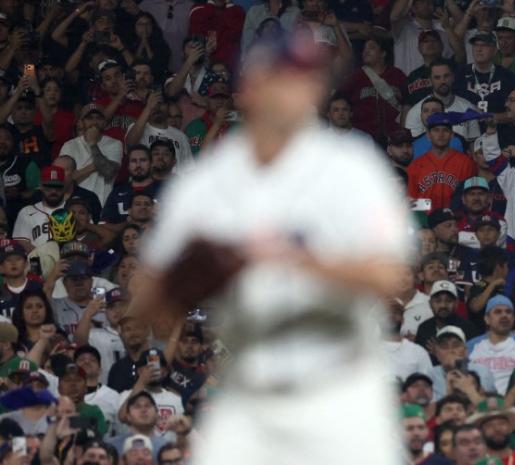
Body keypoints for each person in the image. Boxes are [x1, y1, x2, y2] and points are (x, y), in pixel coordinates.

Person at [126, 31, 414, 465]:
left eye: (308, 79)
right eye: (285, 78)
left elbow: (391, 275)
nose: (300, 90)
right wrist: (191, 274)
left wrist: (293, 258)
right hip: (250, 385)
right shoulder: (205, 183)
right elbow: (144, 303)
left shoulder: (352, 166)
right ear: (250, 88)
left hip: (342, 381)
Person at [408, 112, 477, 210]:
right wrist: (431, 210)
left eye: (445, 130)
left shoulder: (466, 163)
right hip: (427, 221)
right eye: (436, 130)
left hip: (456, 220)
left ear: (452, 135)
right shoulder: (415, 165)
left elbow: (471, 198)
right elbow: (411, 202)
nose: (441, 134)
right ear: (428, 135)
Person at [466, 296, 515, 393]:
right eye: (498, 312)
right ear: (487, 319)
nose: (504, 315)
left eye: (508, 312)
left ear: (514, 318)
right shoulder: (470, 346)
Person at [404, 59, 481, 141]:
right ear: (430, 81)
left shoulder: (467, 108)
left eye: (446, 76)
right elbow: (414, 147)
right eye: (437, 77)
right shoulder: (416, 112)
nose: (442, 81)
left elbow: (474, 145)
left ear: (453, 77)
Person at [454, 33, 515, 114]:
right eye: (476, 45)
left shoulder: (507, 76)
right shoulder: (460, 73)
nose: (479, 49)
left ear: (494, 51)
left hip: (499, 125)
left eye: (484, 45)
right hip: (467, 124)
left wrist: (495, 118)